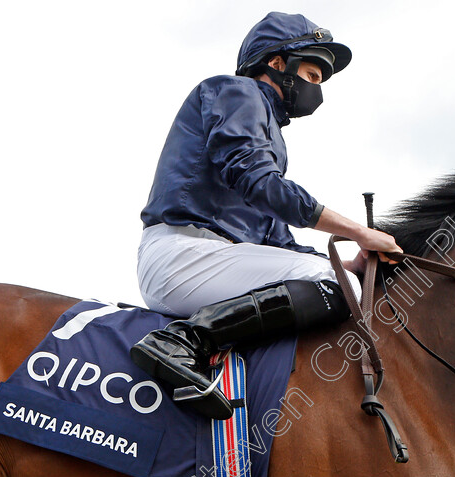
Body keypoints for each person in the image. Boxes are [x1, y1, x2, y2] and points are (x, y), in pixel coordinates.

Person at [129, 12, 401, 420]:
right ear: (277, 63)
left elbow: (278, 241)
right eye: (312, 73)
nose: (317, 89)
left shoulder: (270, 135)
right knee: (341, 288)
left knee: (337, 276)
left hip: (216, 260)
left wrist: (350, 262)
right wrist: (358, 232)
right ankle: (182, 342)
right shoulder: (237, 92)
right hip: (182, 253)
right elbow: (258, 182)